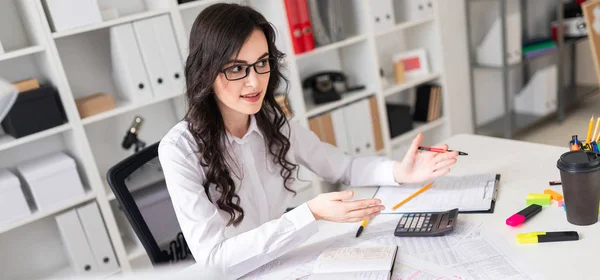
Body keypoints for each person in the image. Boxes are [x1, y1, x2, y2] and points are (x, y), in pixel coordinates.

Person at [157, 3, 458, 279]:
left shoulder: (272, 122)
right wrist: (310, 213)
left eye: (262, 63)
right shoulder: (179, 150)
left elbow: (343, 167)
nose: (255, 81)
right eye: (237, 68)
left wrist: (399, 172)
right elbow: (214, 261)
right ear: (206, 71)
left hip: (287, 263)